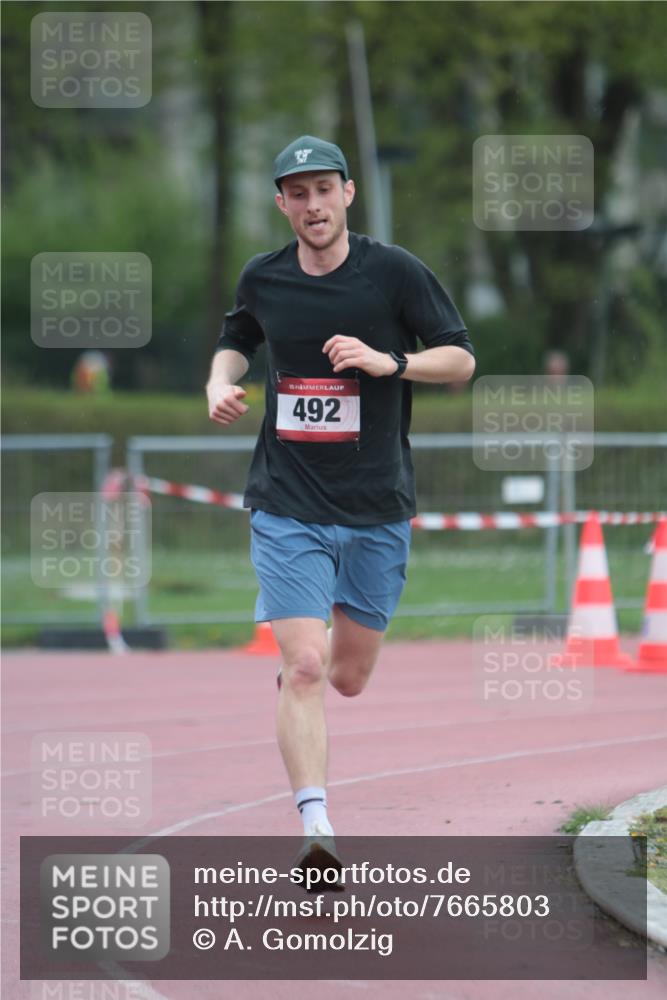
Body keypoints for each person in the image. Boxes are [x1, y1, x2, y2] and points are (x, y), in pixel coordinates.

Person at [206, 135, 475, 878]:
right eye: (297, 193)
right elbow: (236, 335)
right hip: (286, 500)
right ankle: (316, 826)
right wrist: (217, 382)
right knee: (304, 666)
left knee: (348, 677)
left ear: (347, 194)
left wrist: (392, 363)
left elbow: (460, 357)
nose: (312, 204)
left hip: (376, 505)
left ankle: (313, 672)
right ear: (281, 204)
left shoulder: (393, 272)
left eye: (324, 189)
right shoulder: (263, 277)